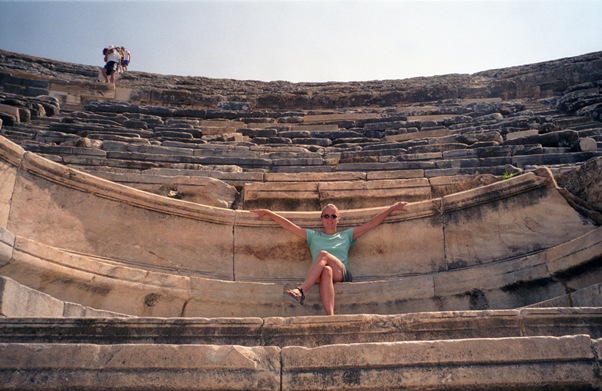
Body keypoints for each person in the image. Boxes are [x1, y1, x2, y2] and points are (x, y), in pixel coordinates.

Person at [251, 201, 408, 315]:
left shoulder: (346, 235)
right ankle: (330, 316)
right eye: (326, 216)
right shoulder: (313, 236)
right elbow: (289, 226)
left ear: (338, 219)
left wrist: (392, 208)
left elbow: (371, 224)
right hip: (323, 274)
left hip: (342, 273)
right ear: (322, 219)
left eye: (333, 216)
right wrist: (269, 213)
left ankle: (301, 291)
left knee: (323, 255)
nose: (330, 219)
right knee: (326, 270)